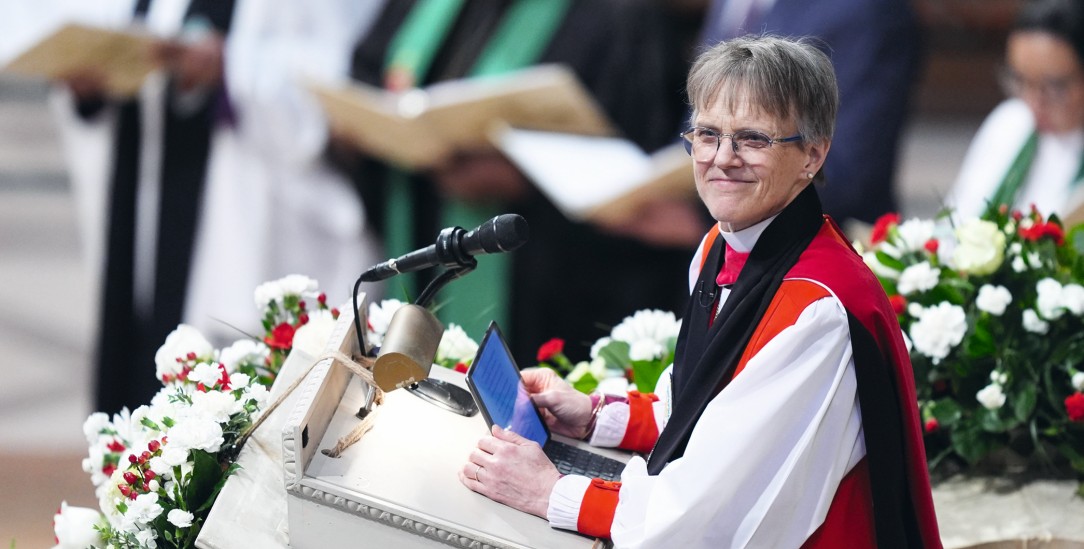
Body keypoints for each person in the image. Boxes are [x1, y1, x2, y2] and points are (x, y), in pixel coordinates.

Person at [460, 35, 942, 547]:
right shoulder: (724, 242)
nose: (722, 159)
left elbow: (703, 517)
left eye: (753, 139)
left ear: (812, 155)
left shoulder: (815, 309)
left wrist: (550, 491)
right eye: (708, 134)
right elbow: (706, 408)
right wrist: (597, 416)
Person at [344, 0, 697, 361]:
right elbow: (369, 69)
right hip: (419, 215)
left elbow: (636, 167)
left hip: (538, 279)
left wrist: (526, 177)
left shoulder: (620, 15)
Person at [698, 0, 922, 228]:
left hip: (818, 239)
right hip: (709, 237)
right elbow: (701, 110)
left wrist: (700, 216)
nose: (723, 158)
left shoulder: (864, 10)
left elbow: (848, 175)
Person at [948, 0, 1084, 220]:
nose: (1033, 102)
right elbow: (955, 221)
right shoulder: (1011, 122)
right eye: (1020, 81)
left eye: (1053, 87)